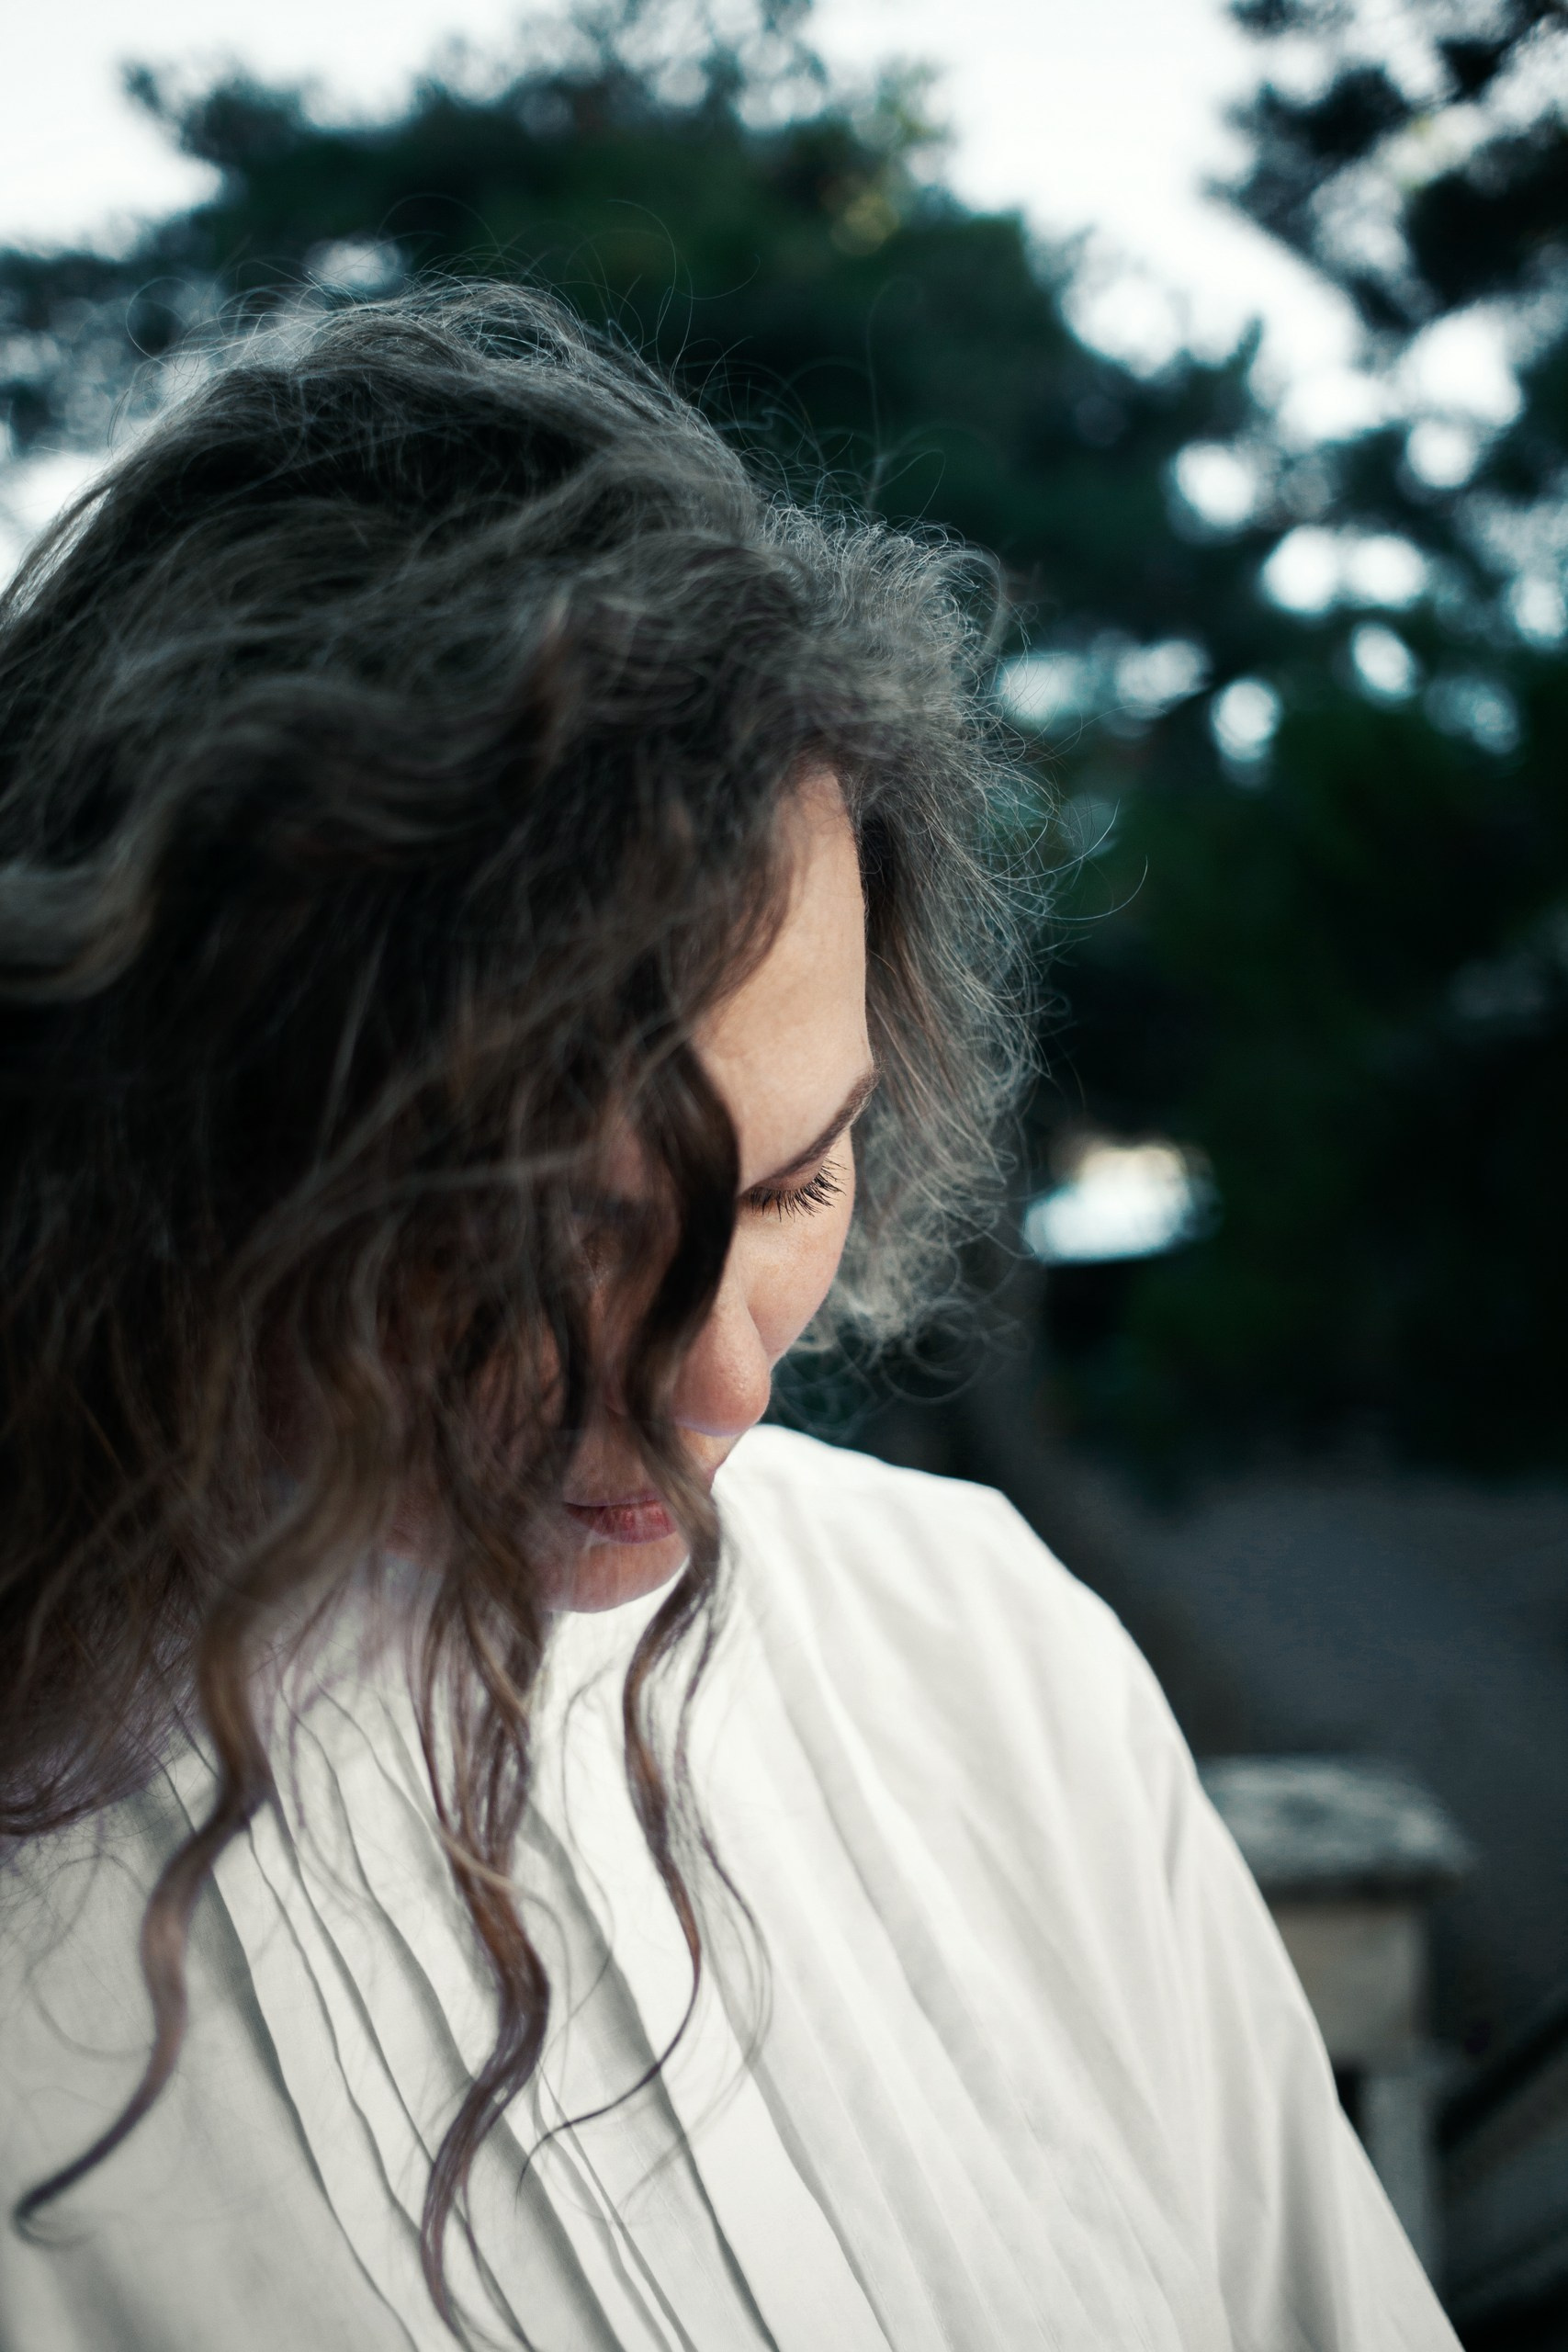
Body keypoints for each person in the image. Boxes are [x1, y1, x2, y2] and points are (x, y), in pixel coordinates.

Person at [0, 286, 1455, 2352]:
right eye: (544, 1234)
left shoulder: (984, 1649)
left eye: (790, 1187)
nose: (721, 1378)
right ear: (159, 1143)